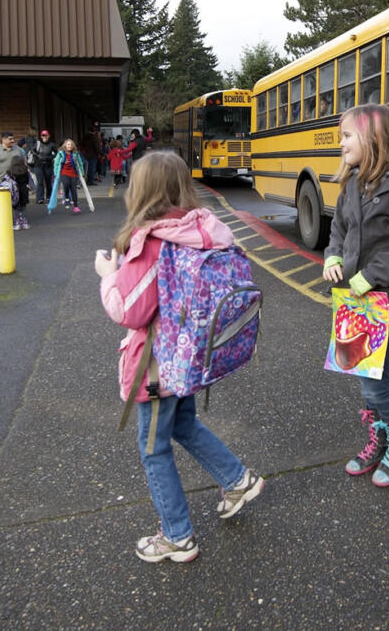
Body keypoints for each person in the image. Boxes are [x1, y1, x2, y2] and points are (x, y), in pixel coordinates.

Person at [95, 151, 264, 563]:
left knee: (154, 448)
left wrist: (107, 276)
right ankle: (237, 479)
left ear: (142, 191)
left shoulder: (152, 241)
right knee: (183, 423)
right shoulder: (205, 227)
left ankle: (177, 536)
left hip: (158, 366)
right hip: (192, 356)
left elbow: (129, 310)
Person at [322, 104, 389, 487]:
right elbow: (339, 227)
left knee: (375, 380)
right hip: (356, 302)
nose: (341, 143)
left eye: (347, 135)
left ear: (375, 140)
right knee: (363, 372)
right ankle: (381, 439)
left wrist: (369, 276)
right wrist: (332, 254)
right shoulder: (352, 183)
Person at [0, 131, 31, 230]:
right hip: (2, 181)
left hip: (18, 180)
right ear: (3, 139)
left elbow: (24, 162)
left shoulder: (18, 150)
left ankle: (19, 219)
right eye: (10, 139)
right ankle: (4, 221)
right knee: (4, 203)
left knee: (18, 201)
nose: (12, 141)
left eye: (13, 138)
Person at [47, 137, 85, 214]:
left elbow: (80, 163)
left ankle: (76, 206)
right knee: (66, 185)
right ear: (65, 145)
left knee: (74, 190)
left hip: (73, 174)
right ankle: (67, 198)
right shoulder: (61, 153)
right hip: (64, 173)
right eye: (68, 144)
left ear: (73, 146)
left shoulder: (75, 154)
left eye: (71, 145)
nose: (69, 146)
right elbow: (56, 164)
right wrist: (55, 173)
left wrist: (82, 173)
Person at [30, 129, 57, 203]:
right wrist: (38, 155)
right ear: (41, 136)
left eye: (45, 135)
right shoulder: (37, 143)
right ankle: (40, 198)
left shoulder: (52, 144)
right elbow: (32, 151)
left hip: (48, 165)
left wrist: (51, 157)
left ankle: (49, 197)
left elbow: (56, 152)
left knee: (48, 182)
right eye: (42, 135)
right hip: (38, 165)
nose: (44, 137)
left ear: (48, 136)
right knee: (40, 182)